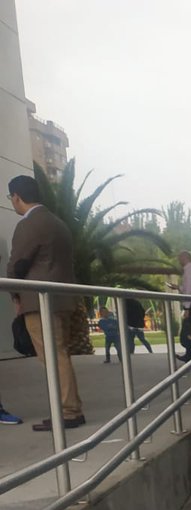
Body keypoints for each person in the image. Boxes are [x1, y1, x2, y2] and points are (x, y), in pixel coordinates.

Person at [5, 174, 86, 431]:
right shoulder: (57, 223)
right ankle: (70, 407)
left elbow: (17, 264)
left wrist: (15, 295)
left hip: (39, 301)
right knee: (59, 354)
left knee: (52, 357)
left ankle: (69, 411)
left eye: (11, 198)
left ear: (17, 197)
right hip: (61, 299)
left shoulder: (30, 224)